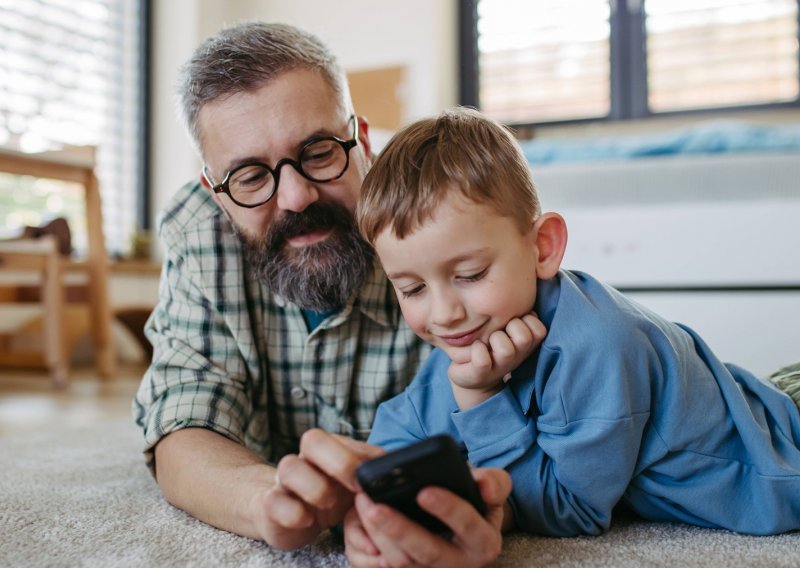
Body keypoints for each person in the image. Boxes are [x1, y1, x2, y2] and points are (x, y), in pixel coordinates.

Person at [133, 23, 540, 561]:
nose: (298, 197)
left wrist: (496, 510)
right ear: (216, 193)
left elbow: (542, 410)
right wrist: (266, 502)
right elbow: (182, 423)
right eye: (251, 177)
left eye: (320, 151)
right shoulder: (195, 232)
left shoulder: (443, 216)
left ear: (362, 138)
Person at [345, 106, 800, 564]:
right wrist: (370, 499)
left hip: (781, 459)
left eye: (471, 274)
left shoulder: (598, 345)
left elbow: (570, 512)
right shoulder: (472, 333)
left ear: (542, 248)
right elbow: (402, 431)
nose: (443, 314)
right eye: (413, 288)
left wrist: (481, 400)